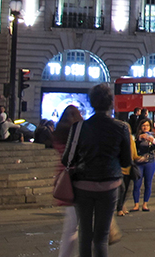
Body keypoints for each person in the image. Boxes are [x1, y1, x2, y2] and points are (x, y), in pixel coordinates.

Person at [65, 83, 131, 257]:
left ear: (91, 102)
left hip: (83, 185)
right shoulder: (121, 127)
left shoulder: (78, 128)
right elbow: (126, 161)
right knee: (101, 237)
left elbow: (67, 159)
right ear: (110, 103)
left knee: (85, 234)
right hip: (109, 185)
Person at [54, 105, 84, 257]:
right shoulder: (78, 133)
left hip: (65, 181)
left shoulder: (59, 132)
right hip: (78, 181)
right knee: (77, 227)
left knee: (71, 226)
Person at [131, 119, 155, 212]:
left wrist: (154, 141)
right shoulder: (136, 137)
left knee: (148, 183)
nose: (145, 127)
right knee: (137, 184)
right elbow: (133, 147)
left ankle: (145, 204)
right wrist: (139, 139)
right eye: (143, 125)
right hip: (139, 162)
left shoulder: (153, 135)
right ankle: (136, 204)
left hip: (150, 162)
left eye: (147, 125)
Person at [115, 121, 139, 217]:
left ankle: (121, 206)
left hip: (129, 168)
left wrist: (139, 158)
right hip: (121, 168)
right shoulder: (119, 139)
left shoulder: (131, 139)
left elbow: (134, 153)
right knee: (122, 189)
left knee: (126, 189)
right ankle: (119, 208)